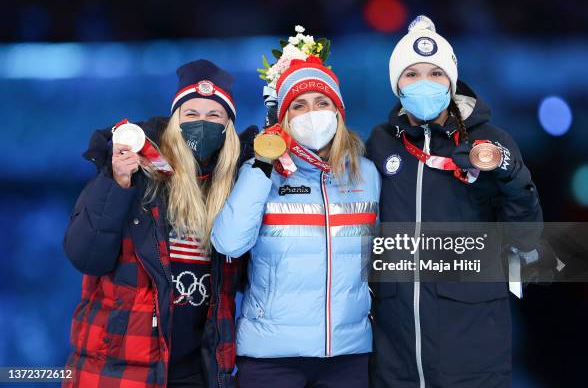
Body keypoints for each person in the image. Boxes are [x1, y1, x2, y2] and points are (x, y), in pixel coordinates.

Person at [367, 15, 544, 387]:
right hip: (395, 356)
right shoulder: (382, 144)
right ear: (396, 83)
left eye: (436, 73)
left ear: (452, 80)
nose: (424, 83)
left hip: (472, 353)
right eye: (411, 74)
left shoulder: (490, 143)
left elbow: (525, 237)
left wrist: (509, 172)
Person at [63, 59, 257, 388]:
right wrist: (117, 183)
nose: (202, 123)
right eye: (191, 114)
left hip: (199, 370)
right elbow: (86, 256)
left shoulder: (236, 188)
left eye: (214, 115)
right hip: (120, 370)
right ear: (173, 120)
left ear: (228, 127)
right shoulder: (137, 174)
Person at [211, 49, 381, 387]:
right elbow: (228, 242)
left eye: (322, 102)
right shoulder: (261, 173)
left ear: (338, 112)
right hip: (271, 357)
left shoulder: (366, 175)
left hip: (347, 355)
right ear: (283, 118)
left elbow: (382, 254)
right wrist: (262, 164)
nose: (311, 114)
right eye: (299, 106)